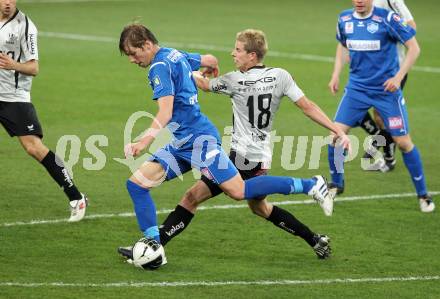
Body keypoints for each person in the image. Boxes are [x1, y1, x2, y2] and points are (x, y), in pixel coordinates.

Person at [117, 25, 350, 267]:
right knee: (165, 191)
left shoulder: (232, 80)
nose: (233, 54)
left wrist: (144, 140)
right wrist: (336, 129)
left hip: (215, 146)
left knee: (240, 195)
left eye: (238, 50)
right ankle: (153, 247)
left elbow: (195, 88)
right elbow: (307, 106)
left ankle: (311, 185)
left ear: (252, 55)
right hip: (228, 149)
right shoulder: (280, 75)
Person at [327, 0, 435, 212]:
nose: (359, 0)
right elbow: (342, 45)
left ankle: (423, 195)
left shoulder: (388, 19)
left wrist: (398, 77)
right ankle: (336, 184)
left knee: (403, 142)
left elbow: (414, 47)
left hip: (386, 92)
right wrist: (335, 74)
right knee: (335, 136)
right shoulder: (344, 18)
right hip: (357, 90)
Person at [0, 0, 88, 222]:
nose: (8, 2)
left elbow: (34, 68)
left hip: (14, 97)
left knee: (34, 148)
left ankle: (76, 197)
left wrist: (13, 65)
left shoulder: (25, 26)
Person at [359, 0, 417, 172]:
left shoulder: (391, 1)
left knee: (381, 115)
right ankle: (380, 139)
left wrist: (389, 32)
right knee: (362, 111)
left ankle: (389, 156)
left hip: (392, 70)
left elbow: (412, 26)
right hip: (369, 68)